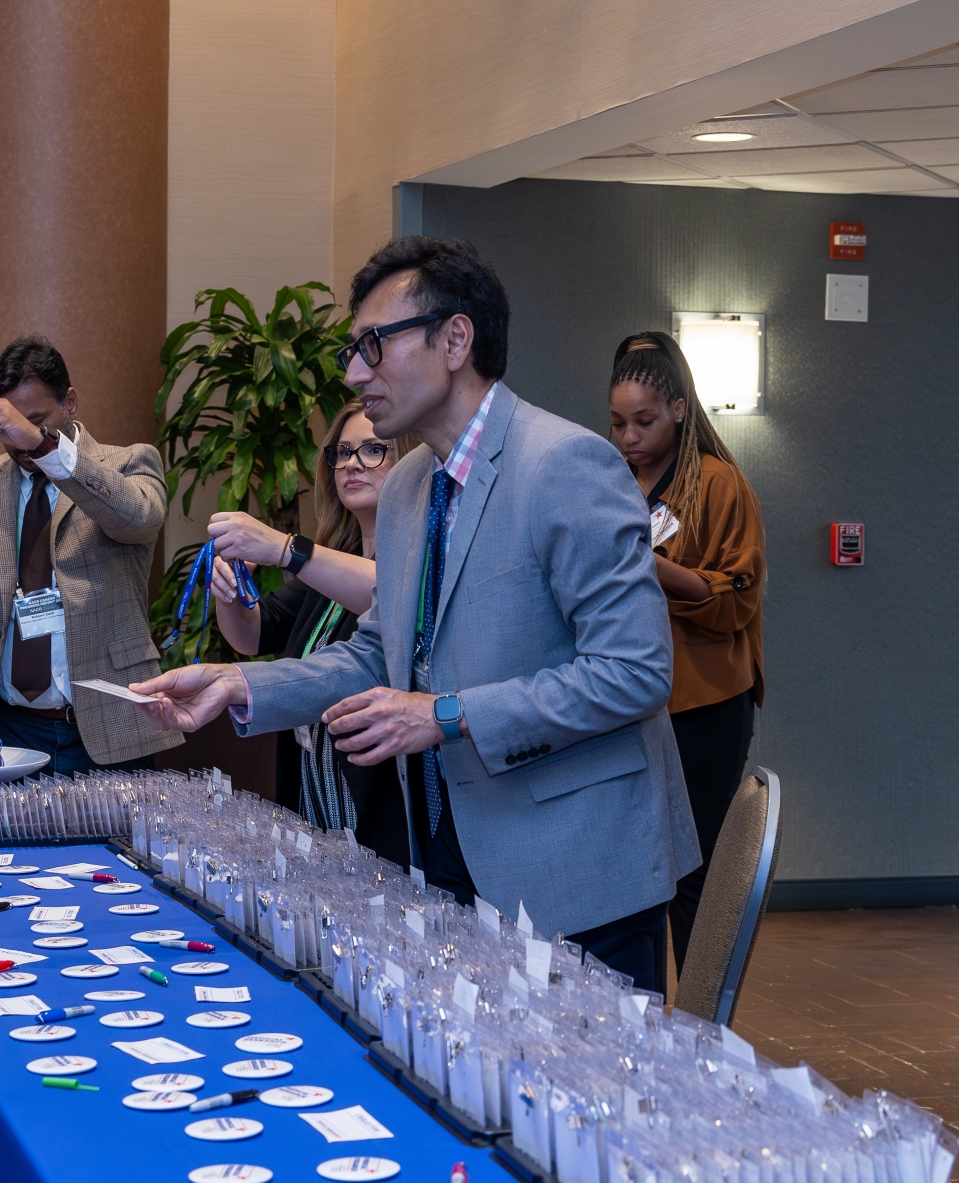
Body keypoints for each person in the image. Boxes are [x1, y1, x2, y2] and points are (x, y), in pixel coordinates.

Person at [133, 236, 700, 995]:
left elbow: (635, 673)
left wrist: (447, 714)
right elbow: (378, 653)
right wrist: (240, 684)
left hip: (575, 870)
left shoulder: (564, 464)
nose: (353, 373)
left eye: (374, 344)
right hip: (444, 853)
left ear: (455, 339)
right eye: (353, 350)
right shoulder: (406, 488)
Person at [0, 335, 181, 774]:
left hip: (107, 727)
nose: (18, 441)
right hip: (4, 729)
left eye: (34, 420)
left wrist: (43, 445)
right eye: (9, 427)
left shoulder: (127, 464)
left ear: (69, 402)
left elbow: (139, 519)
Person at [608, 331, 765, 974]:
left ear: (679, 408)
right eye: (618, 423)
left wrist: (648, 565)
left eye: (644, 421)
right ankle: (642, 1010)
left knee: (692, 870)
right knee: (637, 868)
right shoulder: (609, 482)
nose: (628, 437)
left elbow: (735, 601)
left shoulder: (720, 485)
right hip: (627, 696)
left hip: (704, 699)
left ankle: (701, 1015)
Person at [205, 403, 415, 864]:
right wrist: (230, 592)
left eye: (373, 450)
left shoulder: (415, 562)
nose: (352, 463)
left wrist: (287, 550)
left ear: (411, 462)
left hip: (381, 801)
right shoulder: (329, 560)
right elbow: (254, 635)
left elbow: (396, 599)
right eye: (342, 452)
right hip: (313, 794)